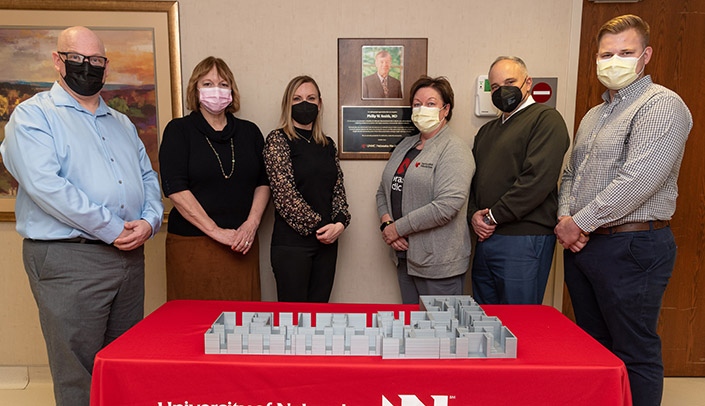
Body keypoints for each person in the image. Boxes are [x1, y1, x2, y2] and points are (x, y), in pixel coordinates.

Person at [0, 26, 163, 406]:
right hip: (69, 260)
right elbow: (46, 187)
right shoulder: (34, 116)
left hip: (128, 258)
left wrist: (150, 221)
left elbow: (146, 178)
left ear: (106, 70)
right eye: (77, 59)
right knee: (78, 374)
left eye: (96, 61)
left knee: (123, 365)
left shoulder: (121, 123)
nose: (86, 67)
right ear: (58, 61)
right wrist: (111, 229)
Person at [555, 15, 691, 406]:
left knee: (634, 351)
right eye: (606, 54)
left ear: (645, 55)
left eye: (626, 53)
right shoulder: (593, 115)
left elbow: (639, 180)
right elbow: (571, 175)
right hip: (585, 247)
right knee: (595, 348)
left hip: (633, 246)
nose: (614, 61)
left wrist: (577, 223)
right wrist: (568, 220)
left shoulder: (662, 105)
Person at [159, 57, 270, 301]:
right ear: (195, 90)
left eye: (222, 83)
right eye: (207, 84)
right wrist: (217, 232)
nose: (216, 89)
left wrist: (250, 225)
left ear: (231, 90)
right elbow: (175, 188)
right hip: (192, 244)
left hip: (241, 244)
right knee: (192, 324)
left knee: (244, 325)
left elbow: (264, 181)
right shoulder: (178, 131)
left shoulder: (249, 132)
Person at [468, 56, 570, 305]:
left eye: (510, 81)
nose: (502, 91)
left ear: (528, 83)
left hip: (524, 239)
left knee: (520, 323)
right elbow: (473, 180)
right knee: (484, 323)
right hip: (486, 238)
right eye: (494, 87)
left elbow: (537, 180)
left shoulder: (546, 119)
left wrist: (492, 217)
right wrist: (474, 216)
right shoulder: (486, 132)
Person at [376, 76, 474, 304]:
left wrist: (397, 229)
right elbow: (383, 189)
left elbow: (446, 206)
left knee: (440, 334)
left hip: (440, 264)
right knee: (413, 331)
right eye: (417, 104)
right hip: (405, 257)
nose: (422, 109)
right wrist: (387, 224)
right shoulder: (405, 145)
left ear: (445, 109)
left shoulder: (454, 149)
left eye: (430, 103)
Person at [264, 75, 351, 302]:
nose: (305, 103)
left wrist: (340, 223)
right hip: (292, 247)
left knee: (319, 319)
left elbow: (338, 189)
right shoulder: (278, 140)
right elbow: (285, 196)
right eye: (297, 98)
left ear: (320, 104)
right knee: (293, 324)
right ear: (287, 104)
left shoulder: (327, 144)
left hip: (327, 244)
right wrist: (324, 226)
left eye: (311, 98)